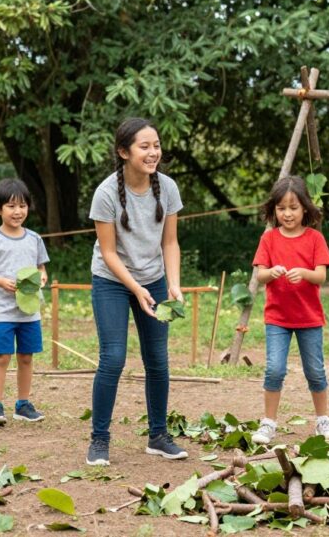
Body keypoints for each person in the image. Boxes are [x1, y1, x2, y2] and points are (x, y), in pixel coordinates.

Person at [86, 117, 188, 466]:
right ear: (123, 152)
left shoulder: (168, 188)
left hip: (155, 277)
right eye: (144, 146)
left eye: (156, 145)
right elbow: (110, 253)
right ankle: (99, 439)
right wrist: (136, 289)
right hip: (112, 281)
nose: (153, 152)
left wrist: (172, 283)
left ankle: (158, 436)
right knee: (113, 357)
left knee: (157, 359)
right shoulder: (105, 194)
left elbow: (170, 242)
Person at [250, 176, 329, 445]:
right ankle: (268, 423)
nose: (287, 214)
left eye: (293, 207)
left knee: (315, 371)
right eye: (281, 208)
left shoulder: (315, 238)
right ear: (273, 210)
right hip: (277, 319)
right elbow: (260, 274)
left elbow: (321, 276)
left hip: (309, 319)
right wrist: (271, 272)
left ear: (305, 209)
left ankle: (323, 419)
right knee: (274, 370)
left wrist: (305, 274)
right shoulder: (269, 239)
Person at [0, 178, 49, 426]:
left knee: (26, 357)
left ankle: (23, 404)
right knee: (2, 357)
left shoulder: (34, 239)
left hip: (29, 311)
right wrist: (0, 282)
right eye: (11, 206)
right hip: (2, 312)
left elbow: (40, 267)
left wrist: (42, 275)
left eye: (22, 206)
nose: (18, 212)